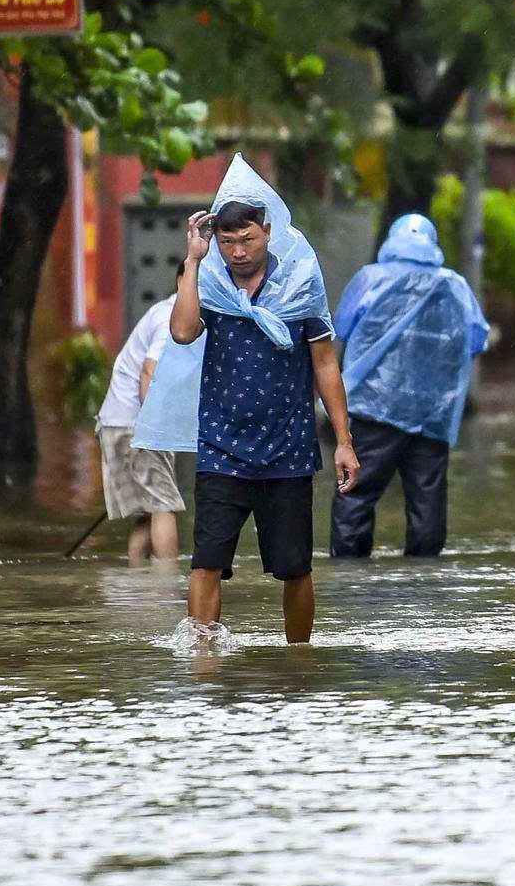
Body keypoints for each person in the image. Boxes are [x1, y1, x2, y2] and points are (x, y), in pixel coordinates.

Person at [132, 157, 358, 647]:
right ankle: (202, 658)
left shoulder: (300, 284)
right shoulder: (209, 284)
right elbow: (183, 331)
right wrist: (192, 260)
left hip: (289, 450)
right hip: (222, 448)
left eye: (247, 239)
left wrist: (343, 440)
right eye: (228, 242)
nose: (237, 251)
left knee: (295, 568)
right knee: (206, 562)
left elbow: (324, 363)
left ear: (268, 232)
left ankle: (299, 659)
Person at [329, 214, 492, 559]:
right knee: (427, 497)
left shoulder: (371, 278)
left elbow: (341, 328)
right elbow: (476, 339)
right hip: (433, 411)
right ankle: (425, 580)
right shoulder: (454, 284)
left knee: (357, 493)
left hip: (374, 407)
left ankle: (348, 576)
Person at [95, 294, 183, 566]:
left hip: (116, 422)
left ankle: (137, 589)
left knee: (149, 512)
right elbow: (149, 371)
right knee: (163, 507)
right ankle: (168, 592)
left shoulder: (166, 312)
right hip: (139, 425)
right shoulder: (172, 317)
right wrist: (155, 427)